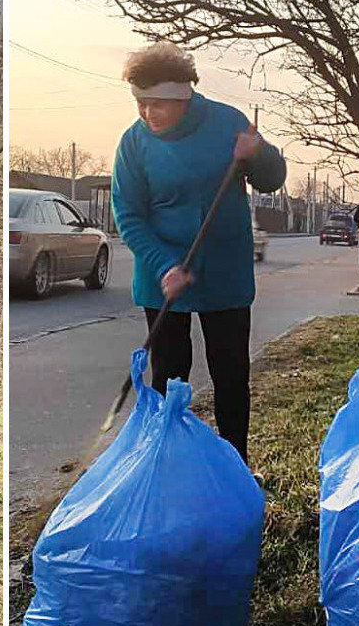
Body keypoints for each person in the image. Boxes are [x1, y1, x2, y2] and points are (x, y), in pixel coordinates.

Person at [110, 43, 286, 462]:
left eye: (158, 104)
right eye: (141, 103)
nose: (148, 114)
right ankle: (170, 465)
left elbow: (272, 179)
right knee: (169, 378)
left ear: (183, 97)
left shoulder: (227, 123)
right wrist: (163, 264)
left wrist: (257, 153)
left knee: (230, 376)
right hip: (163, 277)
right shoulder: (134, 144)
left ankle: (233, 468)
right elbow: (129, 215)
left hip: (224, 275)